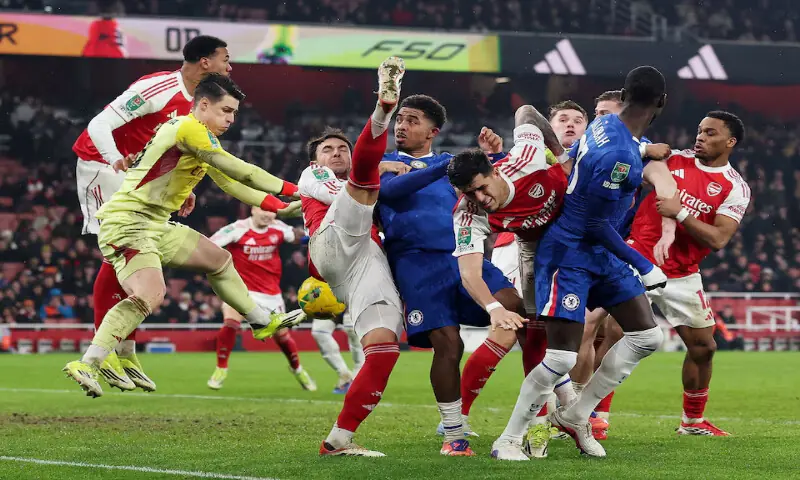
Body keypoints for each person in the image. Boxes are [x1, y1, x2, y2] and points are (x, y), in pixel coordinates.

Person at [62, 74, 304, 398]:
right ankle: (89, 363)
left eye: (234, 113)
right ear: (203, 105)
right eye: (226, 111)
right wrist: (296, 189)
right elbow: (241, 170)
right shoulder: (188, 128)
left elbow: (232, 184)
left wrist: (283, 207)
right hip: (128, 223)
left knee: (218, 260)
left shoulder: (199, 136)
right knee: (151, 294)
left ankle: (261, 321)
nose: (231, 120)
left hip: (155, 224)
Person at [490, 66, 672, 460]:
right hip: (571, 251)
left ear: (622, 96)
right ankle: (508, 438)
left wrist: (644, 151)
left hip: (600, 252)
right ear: (662, 102)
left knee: (648, 336)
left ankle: (575, 414)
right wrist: (644, 265)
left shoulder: (606, 127)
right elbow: (594, 222)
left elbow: (604, 157)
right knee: (560, 357)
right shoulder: (618, 153)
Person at [72, 35, 233, 392]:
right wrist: (114, 158)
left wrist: (183, 190)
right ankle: (112, 349)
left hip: (138, 176)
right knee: (118, 251)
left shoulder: (200, 104)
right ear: (205, 62)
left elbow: (178, 151)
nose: (229, 66)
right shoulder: (158, 86)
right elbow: (99, 124)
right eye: (225, 58)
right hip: (103, 164)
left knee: (141, 250)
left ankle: (124, 348)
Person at [377, 94, 522, 456]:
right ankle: (453, 433)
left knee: (518, 309)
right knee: (448, 343)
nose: (401, 125)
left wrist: (494, 156)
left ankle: (549, 408)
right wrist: (444, 164)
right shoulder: (385, 163)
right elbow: (391, 192)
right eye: (400, 119)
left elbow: (497, 188)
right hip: (416, 263)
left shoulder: (450, 169)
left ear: (432, 131)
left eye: (411, 120)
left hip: (464, 255)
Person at [447, 104, 572, 459]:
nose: (481, 200)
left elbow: (526, 112)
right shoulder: (468, 213)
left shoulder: (527, 156)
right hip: (532, 249)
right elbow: (469, 271)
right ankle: (542, 422)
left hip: (577, 232)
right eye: (470, 194)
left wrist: (562, 155)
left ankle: (578, 413)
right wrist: (493, 307)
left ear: (494, 170)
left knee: (596, 329)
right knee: (536, 330)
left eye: (482, 189)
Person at [299, 57, 406, 457]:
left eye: (343, 148)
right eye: (328, 149)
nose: (336, 153)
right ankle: (384, 106)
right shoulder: (314, 177)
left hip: (364, 262)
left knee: (383, 350)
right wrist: (386, 168)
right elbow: (348, 189)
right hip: (332, 241)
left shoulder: (366, 183)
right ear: (315, 160)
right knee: (361, 183)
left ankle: (338, 440)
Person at [630, 111, 750, 436]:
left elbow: (719, 238)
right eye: (699, 131)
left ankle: (692, 422)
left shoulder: (734, 187)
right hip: (637, 259)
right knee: (608, 334)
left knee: (704, 347)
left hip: (682, 273)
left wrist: (680, 213)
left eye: (710, 133)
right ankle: (592, 415)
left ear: (730, 142)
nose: (700, 137)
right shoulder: (672, 160)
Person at [569, 89, 676, 436]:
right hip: (588, 244)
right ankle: (573, 408)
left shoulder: (636, 151)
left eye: (607, 113)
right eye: (596, 112)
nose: (600, 119)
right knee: (585, 327)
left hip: (619, 247)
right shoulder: (606, 142)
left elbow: (665, 184)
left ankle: (594, 412)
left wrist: (669, 228)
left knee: (616, 332)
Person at [207, 206, 316, 392]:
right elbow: (210, 244)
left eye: (272, 211)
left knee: (282, 337)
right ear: (253, 209)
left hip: (271, 294)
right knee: (231, 323)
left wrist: (315, 233)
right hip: (242, 291)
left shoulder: (278, 228)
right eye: (263, 209)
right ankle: (221, 368)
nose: (267, 214)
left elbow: (301, 237)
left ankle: (297, 369)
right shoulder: (237, 228)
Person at [310, 309, 364, 394]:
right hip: (330, 299)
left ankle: (359, 378)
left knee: (352, 327)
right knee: (319, 331)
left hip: (355, 298)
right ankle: (345, 375)